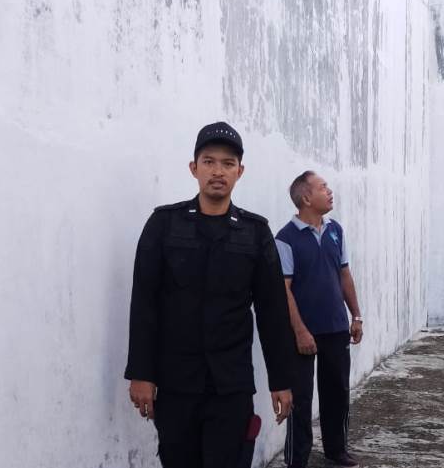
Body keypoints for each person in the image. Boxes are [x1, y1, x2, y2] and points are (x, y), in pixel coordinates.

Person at [124, 121, 296, 468]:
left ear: (239, 172)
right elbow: (144, 303)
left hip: (230, 385)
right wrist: (141, 373)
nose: (218, 171)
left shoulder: (255, 232)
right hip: (176, 382)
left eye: (228, 163)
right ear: (194, 168)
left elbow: (272, 312)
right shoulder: (164, 225)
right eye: (209, 162)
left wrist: (281, 381)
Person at [275, 171, 363, 468]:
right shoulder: (285, 239)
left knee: (337, 392)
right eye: (323, 187)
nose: (329, 191)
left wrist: (356, 315)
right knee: (300, 399)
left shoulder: (335, 230)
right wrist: (300, 331)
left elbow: (344, 273)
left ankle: (336, 450)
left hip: (336, 327)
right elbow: (284, 290)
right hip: (303, 333)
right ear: (306, 198)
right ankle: (297, 459)